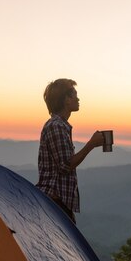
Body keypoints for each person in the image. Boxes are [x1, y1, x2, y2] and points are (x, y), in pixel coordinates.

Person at [36, 79, 104, 224]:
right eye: (74, 95)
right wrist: (91, 144)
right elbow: (65, 165)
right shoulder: (56, 126)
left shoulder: (60, 126)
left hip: (58, 201)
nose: (78, 99)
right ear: (66, 99)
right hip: (55, 200)